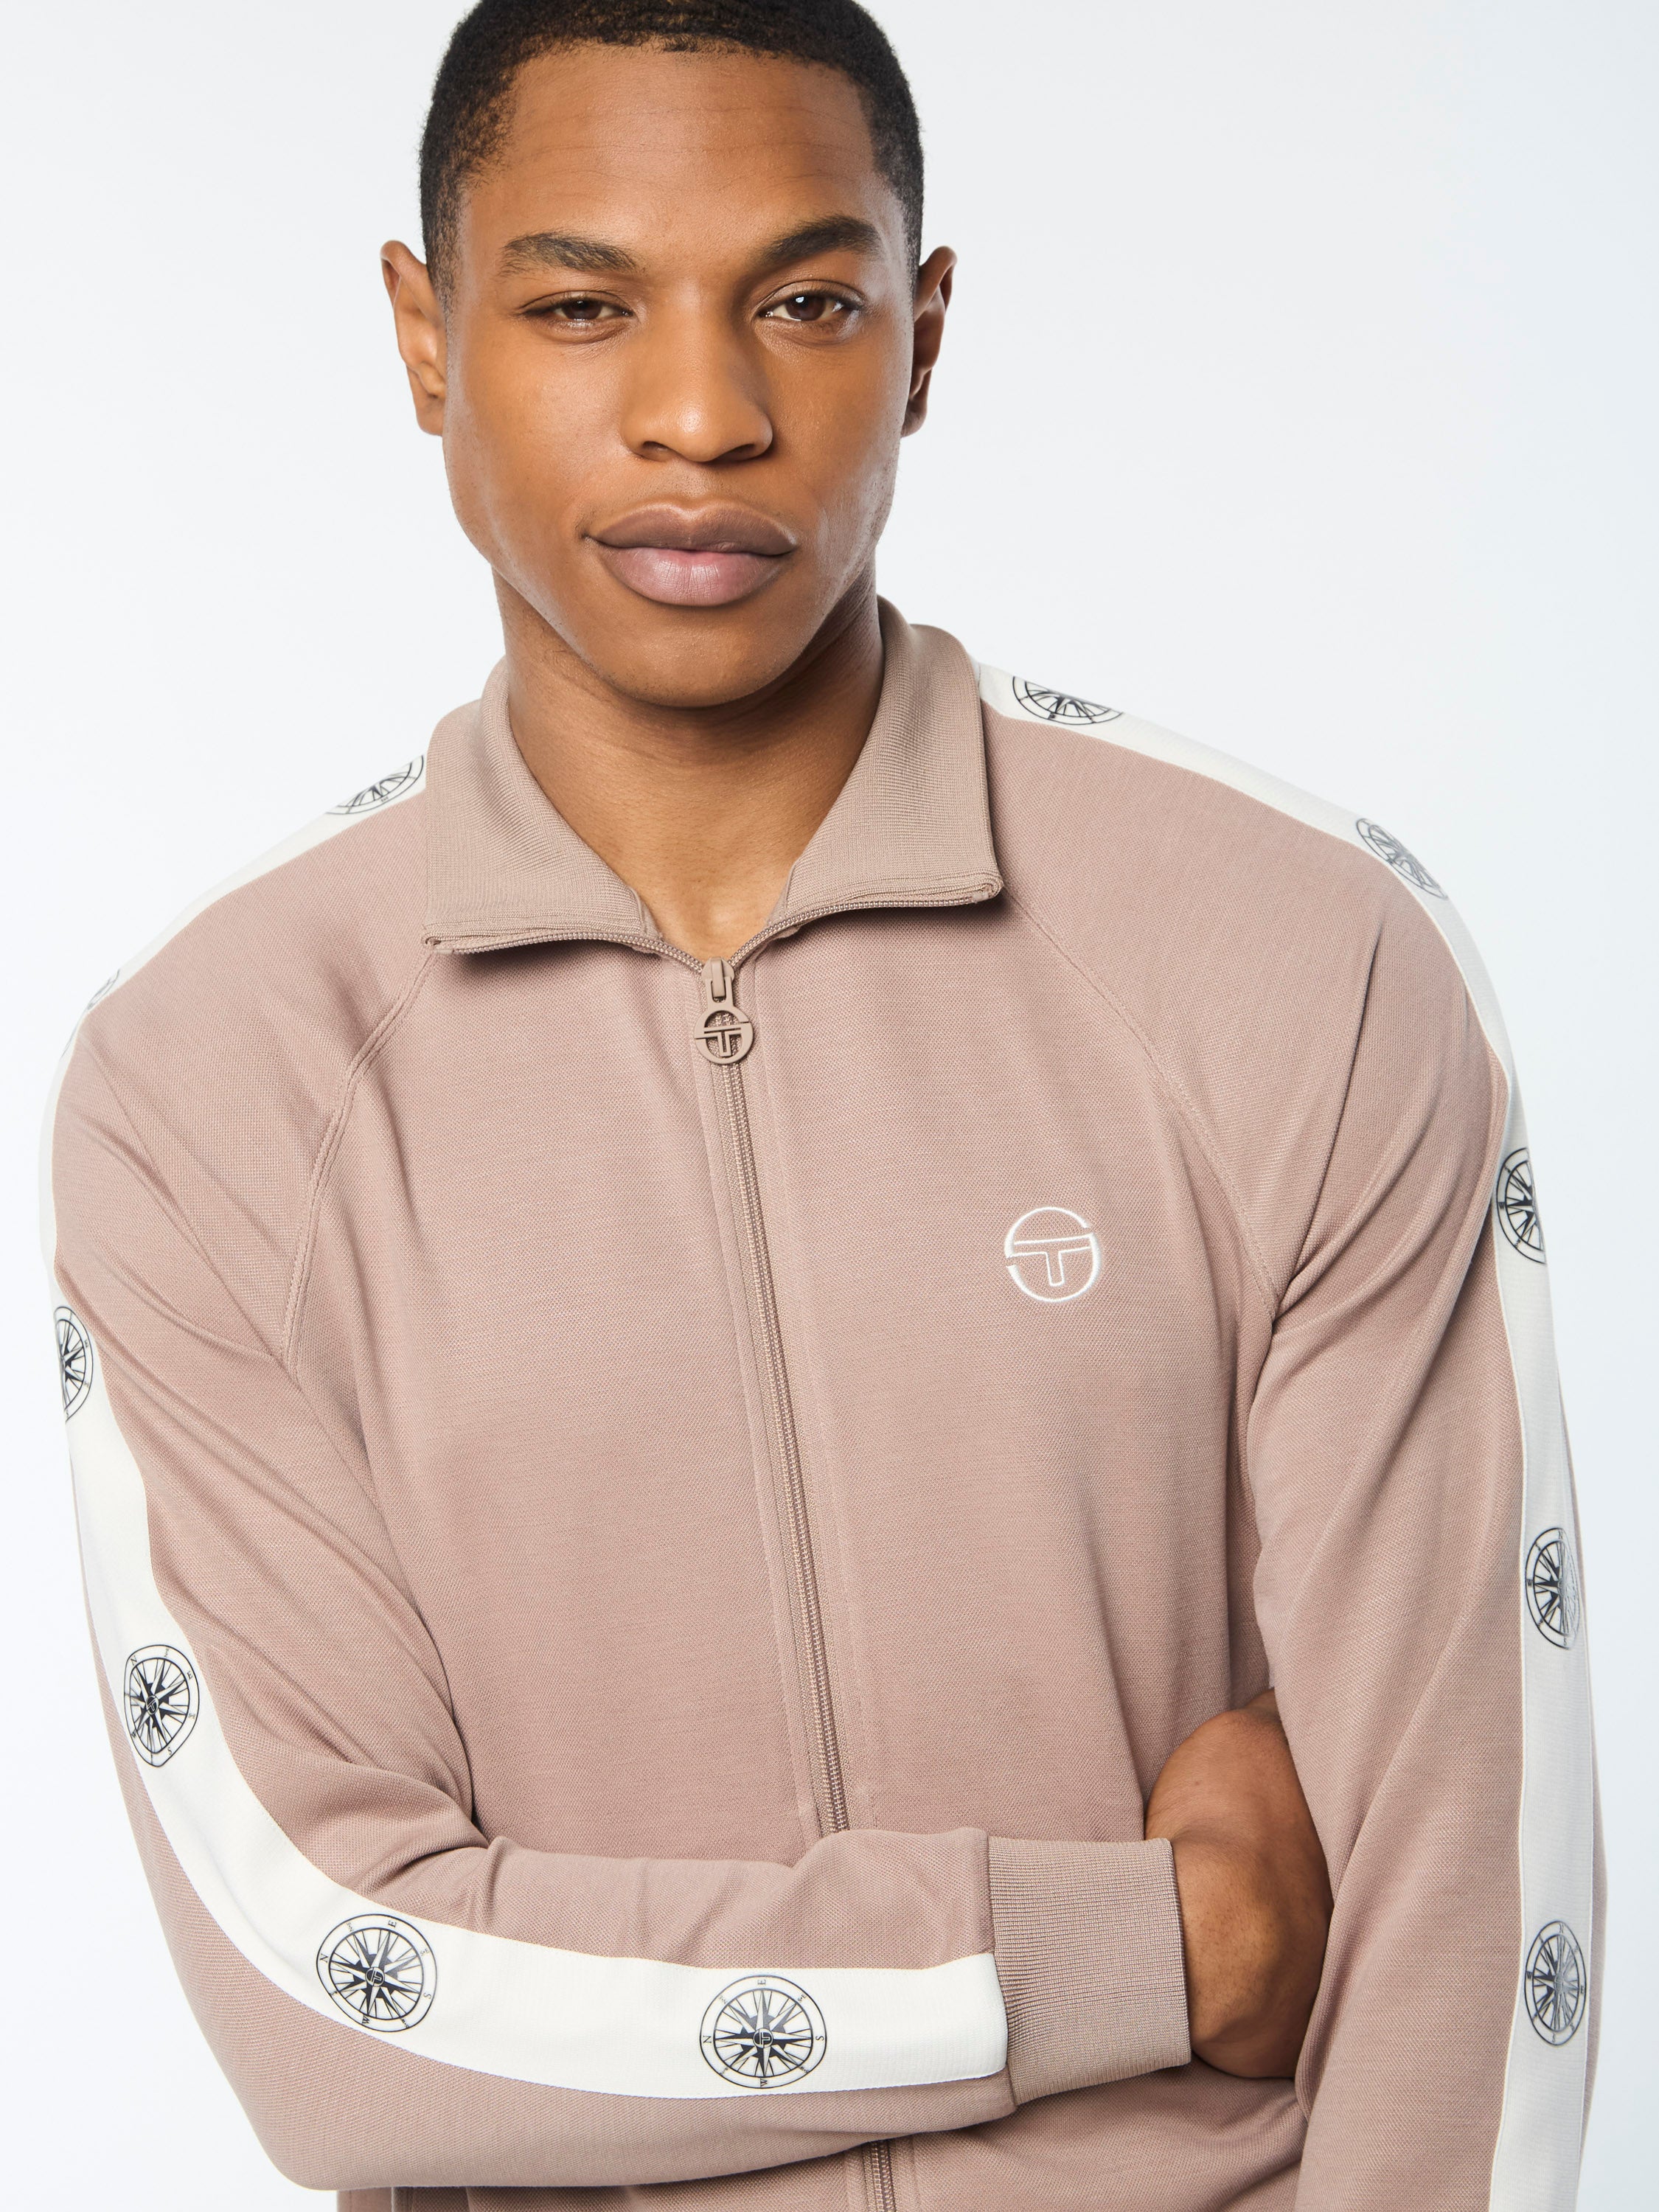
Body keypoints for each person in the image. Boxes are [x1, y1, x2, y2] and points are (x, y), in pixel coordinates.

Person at [43, 3, 1598, 2208]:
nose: (703, 415)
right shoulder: (211, 1076)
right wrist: (1158, 1949)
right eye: (582, 308)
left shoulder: (1298, 950)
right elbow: (338, 2004)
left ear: (924, 333)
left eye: (804, 303)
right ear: (425, 334)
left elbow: (1469, 1913)